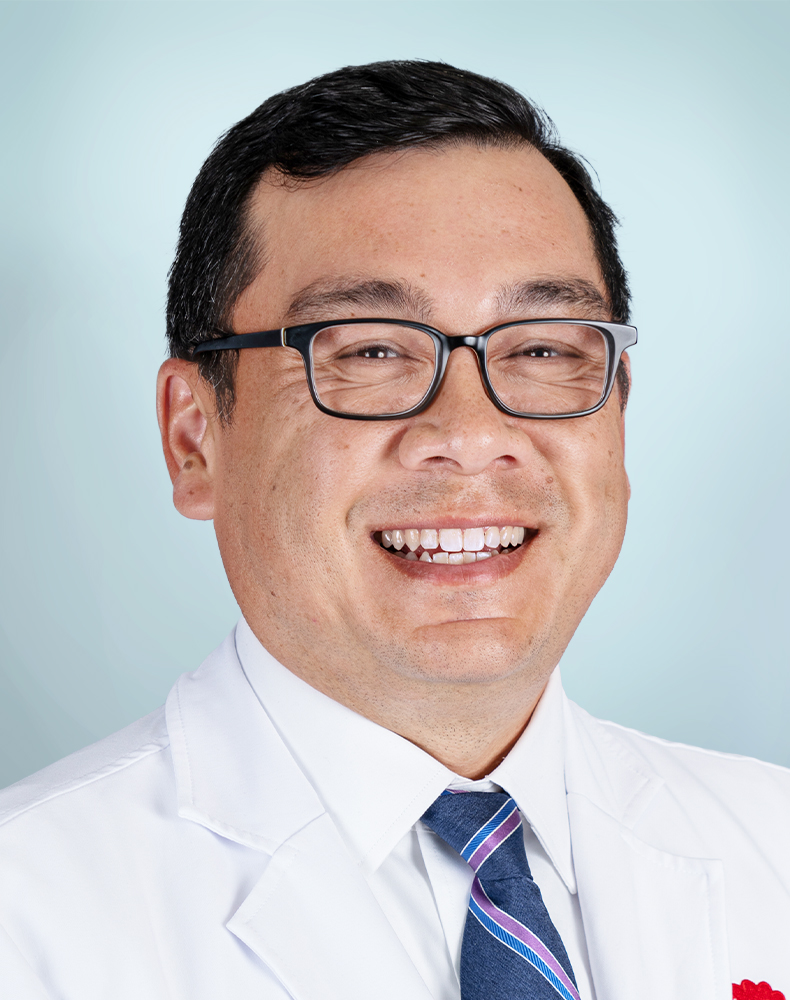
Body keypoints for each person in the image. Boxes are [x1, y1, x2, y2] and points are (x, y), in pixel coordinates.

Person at [0, 60, 788, 1000]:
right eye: (371, 350)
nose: (471, 435)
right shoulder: (29, 915)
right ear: (194, 437)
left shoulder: (771, 846)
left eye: (542, 348)